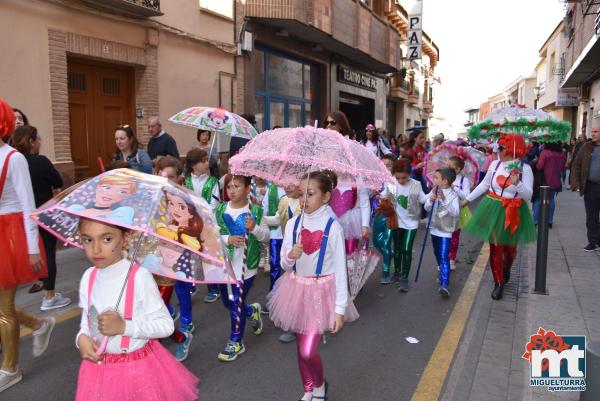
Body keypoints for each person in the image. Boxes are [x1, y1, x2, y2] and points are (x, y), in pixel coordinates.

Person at [74, 218, 198, 400]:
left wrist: (125, 327)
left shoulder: (139, 277)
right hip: (99, 370)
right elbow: (87, 320)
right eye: (88, 240)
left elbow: (166, 325)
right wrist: (81, 338)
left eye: (107, 239)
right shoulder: (88, 277)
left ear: (125, 238)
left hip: (137, 370)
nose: (96, 249)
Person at [267, 170, 351, 401]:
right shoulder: (294, 223)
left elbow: (340, 271)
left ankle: (320, 386)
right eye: (301, 193)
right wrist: (290, 257)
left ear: (325, 196)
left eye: (311, 194)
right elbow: (284, 265)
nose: (304, 200)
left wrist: (340, 310)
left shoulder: (333, 227)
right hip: (296, 289)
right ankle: (308, 388)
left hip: (322, 292)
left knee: (308, 350)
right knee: (300, 347)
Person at [0, 99, 54, 392]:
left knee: (3, 307)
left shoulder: (14, 158)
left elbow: (27, 205)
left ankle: (10, 369)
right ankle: (39, 324)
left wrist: (33, 247)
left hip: (9, 234)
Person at [463, 134, 536, 300]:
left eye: (501, 148)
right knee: (496, 247)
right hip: (493, 209)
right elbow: (484, 185)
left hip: (514, 211)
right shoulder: (495, 164)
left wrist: (517, 183)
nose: (497, 151)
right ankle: (498, 282)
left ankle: (506, 268)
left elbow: (529, 196)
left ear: (511, 149)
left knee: (510, 250)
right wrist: (467, 200)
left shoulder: (525, 169)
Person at [11, 125, 70, 310]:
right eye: (38, 139)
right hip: (43, 214)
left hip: (19, 216)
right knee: (48, 254)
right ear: (31, 142)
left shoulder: (12, 161)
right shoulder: (40, 161)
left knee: (32, 252)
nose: (40, 143)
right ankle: (49, 296)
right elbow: (58, 182)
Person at [215, 175, 269, 361]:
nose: (231, 190)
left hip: (247, 266)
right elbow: (212, 234)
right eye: (229, 186)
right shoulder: (220, 209)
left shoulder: (255, 210)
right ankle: (251, 311)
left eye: (237, 186)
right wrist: (226, 239)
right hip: (225, 265)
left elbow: (266, 237)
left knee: (236, 302)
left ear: (248, 189)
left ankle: (236, 341)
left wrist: (254, 228)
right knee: (228, 302)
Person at [152, 158, 192, 360]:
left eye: (171, 177)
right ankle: (180, 338)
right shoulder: (151, 199)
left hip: (170, 264)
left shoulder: (183, 204)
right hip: (148, 262)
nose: (166, 180)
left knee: (156, 315)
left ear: (179, 179)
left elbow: (189, 234)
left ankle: (156, 356)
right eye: (163, 176)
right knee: (150, 313)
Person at [183, 148, 221, 304]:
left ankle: (214, 288)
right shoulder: (186, 182)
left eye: (207, 160)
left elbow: (214, 204)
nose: (207, 163)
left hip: (207, 225)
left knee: (208, 257)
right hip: (190, 225)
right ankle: (193, 283)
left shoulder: (213, 182)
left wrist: (202, 215)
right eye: (203, 161)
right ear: (193, 165)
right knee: (191, 255)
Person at [424, 168, 460, 298]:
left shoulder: (453, 195)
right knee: (437, 254)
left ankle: (445, 284)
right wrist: (431, 200)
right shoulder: (434, 191)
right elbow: (426, 207)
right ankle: (442, 274)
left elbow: (456, 212)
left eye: (436, 178)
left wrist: (444, 200)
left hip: (445, 231)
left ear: (444, 181)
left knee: (444, 256)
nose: (434, 180)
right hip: (434, 228)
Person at [570, 123, 600, 252]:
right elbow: (576, 165)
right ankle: (593, 241)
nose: (592, 134)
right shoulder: (586, 147)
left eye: (596, 132)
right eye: (592, 131)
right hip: (591, 187)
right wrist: (576, 184)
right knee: (591, 216)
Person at [532, 142, 565, 228]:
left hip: (544, 181)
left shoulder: (545, 152)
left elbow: (539, 166)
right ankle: (550, 221)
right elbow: (562, 168)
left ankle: (535, 221)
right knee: (551, 200)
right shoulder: (561, 153)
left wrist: (536, 161)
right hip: (555, 181)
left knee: (538, 200)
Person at [447, 156, 471, 271]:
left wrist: (454, 188)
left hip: (457, 212)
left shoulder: (464, 180)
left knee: (454, 237)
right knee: (445, 236)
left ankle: (451, 259)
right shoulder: (445, 177)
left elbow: (467, 196)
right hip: (445, 212)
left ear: (458, 169)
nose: (447, 168)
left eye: (450, 167)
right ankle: (443, 258)